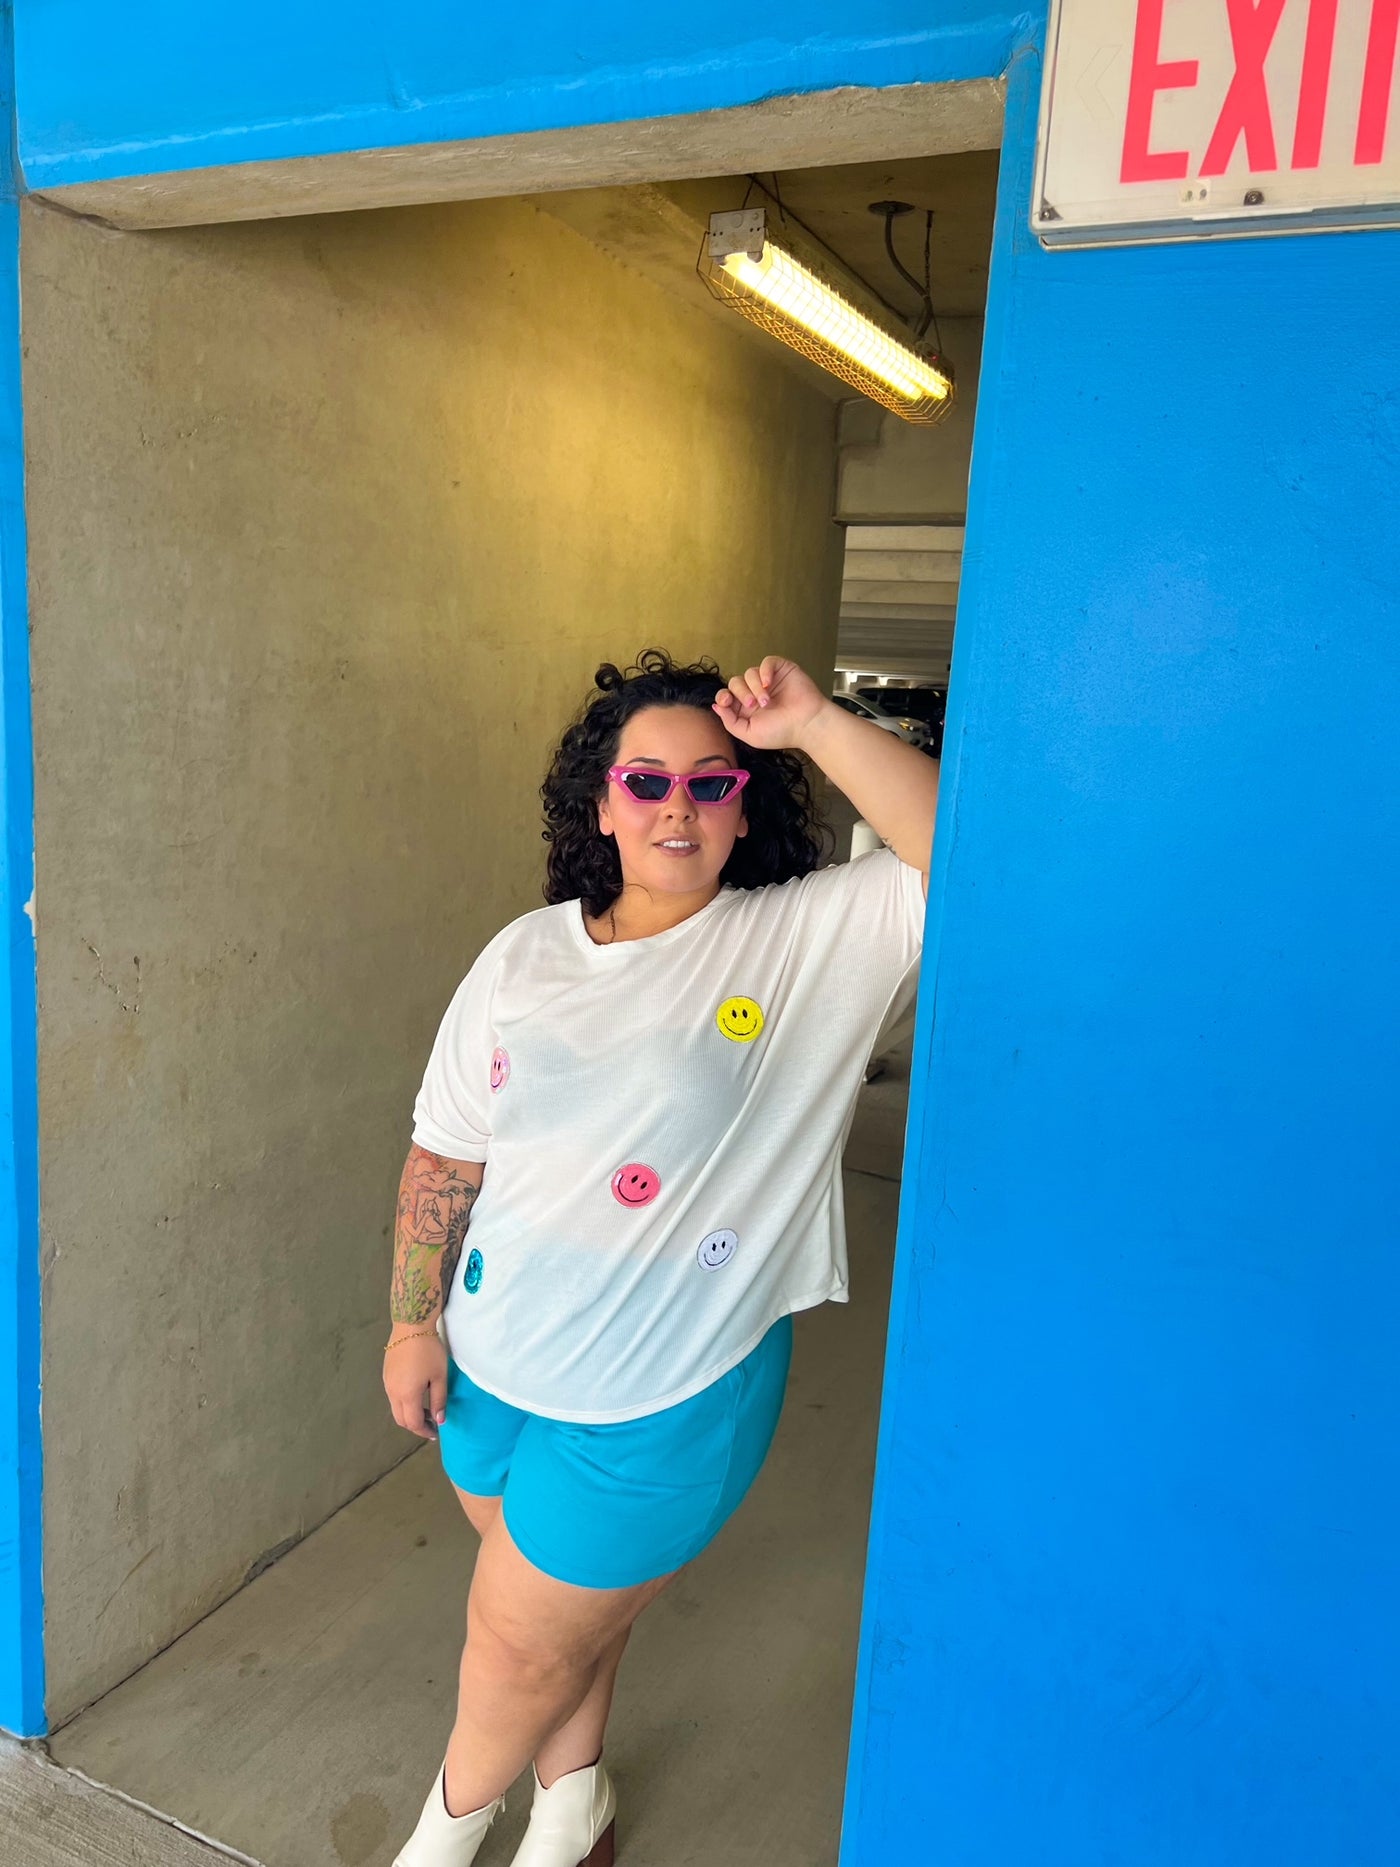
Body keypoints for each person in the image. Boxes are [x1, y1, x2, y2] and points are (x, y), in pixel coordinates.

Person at [383, 648, 938, 1867]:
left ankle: (437, 1844)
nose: (675, 806)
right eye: (644, 781)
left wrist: (814, 720)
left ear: (745, 805)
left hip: (661, 1387)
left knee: (516, 1643)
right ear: (600, 805)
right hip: (490, 1368)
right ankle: (571, 1804)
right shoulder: (521, 954)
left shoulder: (801, 941)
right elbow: (446, 1152)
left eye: (709, 781)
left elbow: (963, 860)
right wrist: (413, 1320)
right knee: (561, 1622)